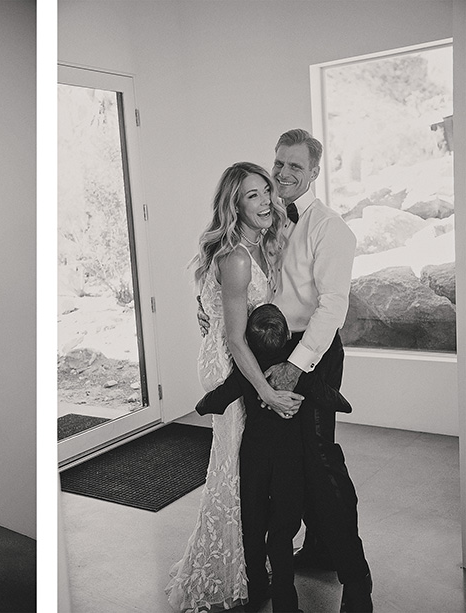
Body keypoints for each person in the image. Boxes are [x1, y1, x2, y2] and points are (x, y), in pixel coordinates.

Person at [165, 162, 302, 612]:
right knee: (234, 463)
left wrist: (203, 309)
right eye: (252, 196)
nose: (265, 202)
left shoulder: (259, 244)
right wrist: (267, 392)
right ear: (234, 204)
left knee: (244, 464)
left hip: (236, 351)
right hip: (230, 364)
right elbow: (234, 338)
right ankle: (230, 565)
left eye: (266, 191)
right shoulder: (239, 256)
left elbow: (209, 295)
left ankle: (247, 556)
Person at [267, 129, 373, 612]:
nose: (285, 173)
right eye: (280, 163)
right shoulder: (264, 218)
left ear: (313, 173)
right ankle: (319, 550)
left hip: (313, 351)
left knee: (321, 460)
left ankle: (357, 580)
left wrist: (295, 364)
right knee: (292, 462)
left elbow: (332, 309)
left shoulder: (330, 227)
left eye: (296, 166)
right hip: (273, 348)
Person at [195, 303, 353, 612]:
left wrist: (200, 406)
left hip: (254, 458)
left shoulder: (246, 374)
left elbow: (215, 400)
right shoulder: (295, 377)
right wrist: (343, 404)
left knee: (252, 527)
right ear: (286, 342)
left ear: (249, 342)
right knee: (282, 531)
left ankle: (256, 590)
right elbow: (332, 398)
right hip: (288, 463)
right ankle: (285, 602)